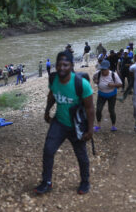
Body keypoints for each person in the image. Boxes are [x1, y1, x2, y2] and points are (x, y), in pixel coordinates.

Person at [34, 50, 94, 195]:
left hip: (76, 125)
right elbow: (52, 95)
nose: (62, 68)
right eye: (59, 65)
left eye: (65, 65)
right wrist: (47, 111)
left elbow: (90, 108)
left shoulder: (82, 84)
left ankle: (85, 182)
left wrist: (90, 130)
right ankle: (46, 182)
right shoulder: (53, 79)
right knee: (48, 150)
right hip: (59, 123)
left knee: (81, 155)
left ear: (72, 66)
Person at [92, 60, 122, 132]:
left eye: (104, 69)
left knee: (111, 110)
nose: (103, 71)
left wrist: (113, 85)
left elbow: (120, 84)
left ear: (108, 68)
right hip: (101, 95)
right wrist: (95, 81)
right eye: (102, 69)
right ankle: (98, 125)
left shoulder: (113, 75)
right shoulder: (98, 73)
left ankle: (113, 126)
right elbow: (94, 78)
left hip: (112, 95)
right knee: (98, 110)